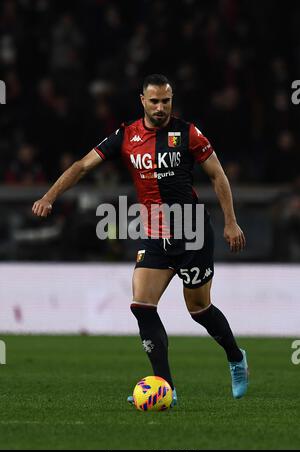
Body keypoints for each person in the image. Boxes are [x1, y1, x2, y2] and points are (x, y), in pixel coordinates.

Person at [32, 74, 248, 407]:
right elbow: (82, 166)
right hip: (155, 231)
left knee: (199, 309)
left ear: (171, 100)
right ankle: (166, 388)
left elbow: (217, 175)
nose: (161, 107)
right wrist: (49, 196)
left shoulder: (188, 134)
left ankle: (235, 357)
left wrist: (230, 222)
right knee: (142, 306)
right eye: (155, 101)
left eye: (166, 100)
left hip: (192, 231)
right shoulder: (126, 135)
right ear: (142, 101)